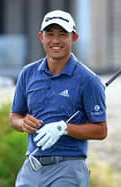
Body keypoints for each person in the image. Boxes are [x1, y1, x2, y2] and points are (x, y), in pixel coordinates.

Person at [9, 9, 107, 187]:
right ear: (41, 37)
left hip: (68, 167)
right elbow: (14, 117)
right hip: (32, 166)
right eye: (50, 34)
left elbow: (100, 130)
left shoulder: (88, 80)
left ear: (74, 37)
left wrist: (64, 128)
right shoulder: (28, 74)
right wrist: (23, 123)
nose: (55, 40)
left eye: (63, 34)